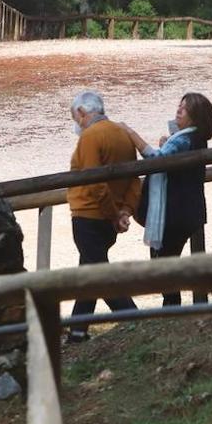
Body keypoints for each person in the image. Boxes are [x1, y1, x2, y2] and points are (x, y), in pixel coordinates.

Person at [123, 93, 212, 307]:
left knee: (164, 264)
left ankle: (174, 308)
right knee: (166, 261)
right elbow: (167, 157)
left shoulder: (184, 139)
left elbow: (157, 160)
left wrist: (132, 134)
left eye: (184, 109)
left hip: (175, 214)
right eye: (179, 106)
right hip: (186, 211)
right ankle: (178, 304)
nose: (179, 111)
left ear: (195, 116)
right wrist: (166, 144)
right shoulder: (192, 139)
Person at [66, 90, 139, 341]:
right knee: (89, 272)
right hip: (109, 219)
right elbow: (135, 178)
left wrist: (112, 214)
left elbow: (94, 182)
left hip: (89, 216)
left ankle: (134, 319)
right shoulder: (122, 134)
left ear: (82, 112)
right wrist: (125, 210)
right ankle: (77, 331)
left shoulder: (89, 137)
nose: (76, 122)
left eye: (75, 117)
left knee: (98, 275)